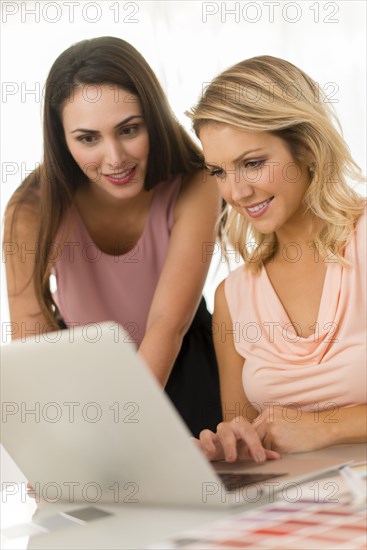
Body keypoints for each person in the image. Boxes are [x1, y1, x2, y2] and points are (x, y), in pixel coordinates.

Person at [3, 36, 223, 438]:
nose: (115, 158)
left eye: (129, 129)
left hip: (184, 365)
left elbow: (167, 325)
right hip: (87, 378)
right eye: (88, 138)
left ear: (152, 119)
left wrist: (122, 433)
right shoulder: (29, 209)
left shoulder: (197, 182)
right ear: (62, 139)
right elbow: (33, 339)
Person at [188, 55, 366, 462]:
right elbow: (250, 442)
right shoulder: (233, 297)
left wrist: (326, 426)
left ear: (306, 147)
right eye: (218, 171)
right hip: (296, 507)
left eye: (252, 164)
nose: (236, 192)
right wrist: (229, 446)